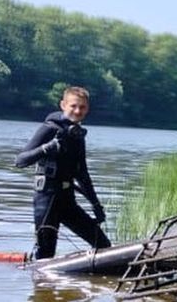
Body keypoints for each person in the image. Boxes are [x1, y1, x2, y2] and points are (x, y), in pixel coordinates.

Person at [14, 86, 111, 261]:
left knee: (103, 244)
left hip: (67, 200)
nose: (77, 110)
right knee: (45, 256)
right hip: (46, 199)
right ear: (63, 105)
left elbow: (82, 174)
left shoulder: (77, 134)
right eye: (73, 106)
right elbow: (20, 161)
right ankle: (42, 285)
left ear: (87, 109)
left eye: (82, 107)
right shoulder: (50, 128)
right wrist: (47, 148)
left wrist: (96, 205)